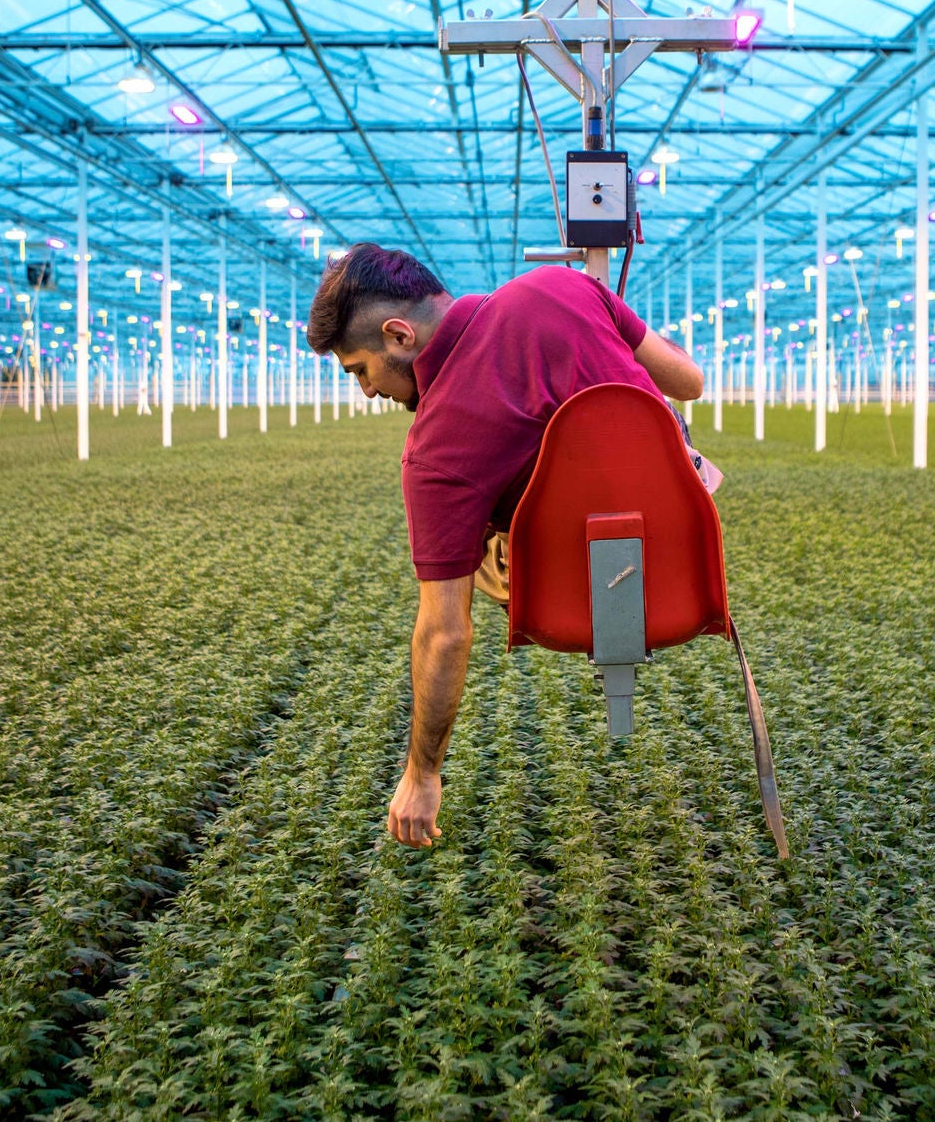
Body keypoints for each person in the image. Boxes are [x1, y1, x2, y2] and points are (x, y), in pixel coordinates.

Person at [305, 243, 715, 847]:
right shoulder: (564, 285)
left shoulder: (433, 454)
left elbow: (444, 631)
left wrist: (422, 774)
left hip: (570, 608)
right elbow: (689, 381)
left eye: (359, 370)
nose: (367, 392)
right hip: (684, 569)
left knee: (473, 546)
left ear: (398, 336)